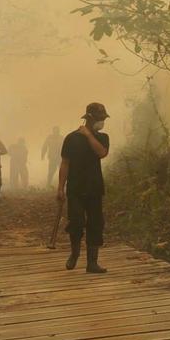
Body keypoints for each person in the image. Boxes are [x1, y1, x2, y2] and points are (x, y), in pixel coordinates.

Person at [57, 103, 110, 273]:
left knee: (96, 224)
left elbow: (101, 153)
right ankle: (75, 254)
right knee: (76, 222)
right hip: (75, 188)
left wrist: (89, 136)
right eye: (99, 119)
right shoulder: (71, 138)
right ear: (89, 118)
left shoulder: (103, 138)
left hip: (94, 188)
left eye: (103, 118)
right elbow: (65, 163)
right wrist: (60, 187)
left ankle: (92, 263)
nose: (102, 122)